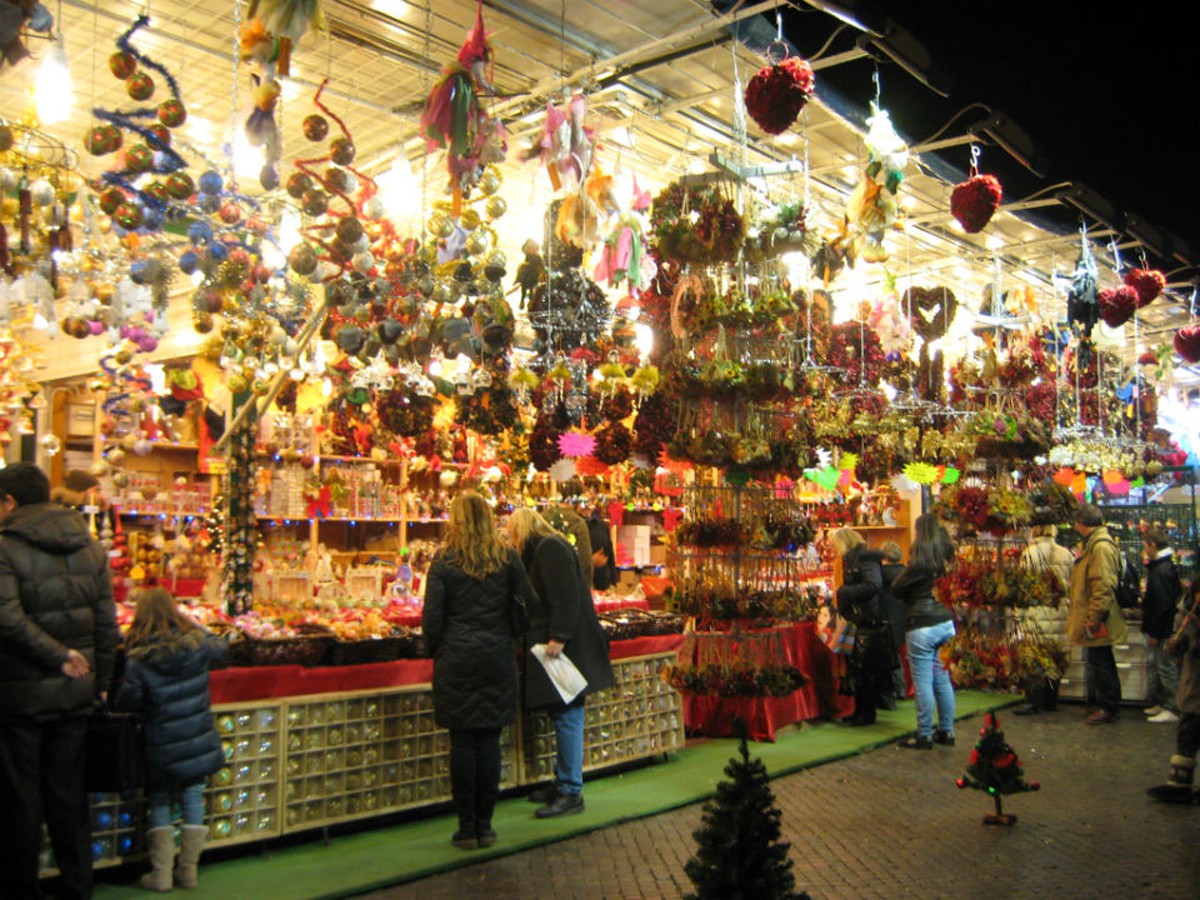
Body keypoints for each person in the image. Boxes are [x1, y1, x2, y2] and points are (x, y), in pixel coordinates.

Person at [0, 461, 119, 900]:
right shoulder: (89, 546)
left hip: (20, 696)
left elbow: (6, 619)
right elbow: (107, 624)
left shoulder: (4, 548)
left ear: (9, 501)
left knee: (20, 804)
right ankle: (76, 888)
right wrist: (101, 680)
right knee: (69, 800)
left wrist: (58, 656)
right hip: (75, 696)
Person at [423, 492, 535, 850]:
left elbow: (432, 618)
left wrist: (438, 650)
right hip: (496, 656)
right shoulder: (505, 556)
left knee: (462, 742)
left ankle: (466, 825)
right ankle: (486, 825)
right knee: (489, 741)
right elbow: (528, 601)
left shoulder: (443, 560)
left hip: (456, 658)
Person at [113, 586, 227, 891]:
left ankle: (161, 874)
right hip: (196, 735)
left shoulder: (138, 658)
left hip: (160, 741)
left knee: (160, 800)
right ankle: (188, 870)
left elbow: (129, 700)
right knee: (193, 794)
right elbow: (223, 647)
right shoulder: (197, 645)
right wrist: (194, 623)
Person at [507, 508, 615, 818]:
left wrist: (559, 636)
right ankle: (563, 781)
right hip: (564, 644)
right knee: (563, 713)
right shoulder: (549, 548)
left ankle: (570, 790)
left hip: (567, 647)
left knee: (568, 714)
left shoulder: (549, 549)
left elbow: (565, 596)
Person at [890, 513, 957, 749]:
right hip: (945, 622)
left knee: (923, 681)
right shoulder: (946, 560)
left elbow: (896, 588)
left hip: (922, 624)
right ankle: (947, 731)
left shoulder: (919, 563)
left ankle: (925, 733)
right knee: (941, 676)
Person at [1067, 503, 1127, 725]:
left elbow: (1102, 584)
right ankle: (1103, 703)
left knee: (1101, 663)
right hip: (1094, 614)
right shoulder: (1094, 544)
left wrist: (1094, 617)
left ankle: (1108, 706)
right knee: (1099, 662)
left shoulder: (1100, 547)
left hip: (1098, 617)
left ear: (1082, 523)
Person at [829, 528, 889, 726]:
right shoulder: (853, 559)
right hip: (858, 619)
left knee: (864, 670)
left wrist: (844, 592)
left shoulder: (865, 559)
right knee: (858, 669)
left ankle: (866, 712)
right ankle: (859, 710)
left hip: (866, 619)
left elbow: (874, 585)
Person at [1147, 579, 1200, 802]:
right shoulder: (1190, 606)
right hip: (1194, 682)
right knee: (1188, 730)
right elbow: (1183, 636)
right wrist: (1178, 643)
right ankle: (1179, 783)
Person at [1013, 524, 1075, 715]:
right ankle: (1051, 699)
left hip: (1036, 611)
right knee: (1055, 654)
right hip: (1060, 611)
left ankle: (1034, 701)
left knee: (1036, 654)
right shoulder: (1066, 554)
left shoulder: (1029, 553)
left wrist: (1019, 615)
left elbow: (1023, 587)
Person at [1141, 526, 1184, 723]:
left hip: (1163, 628)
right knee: (1162, 666)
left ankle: (1173, 707)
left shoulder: (1160, 571)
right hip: (1166, 626)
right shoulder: (1165, 567)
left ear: (1153, 545)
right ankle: (1164, 703)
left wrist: (1154, 632)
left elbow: (1161, 604)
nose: (1144, 550)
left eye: (1145, 546)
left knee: (1165, 667)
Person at [878, 541, 907, 709]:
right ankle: (901, 688)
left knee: (889, 657)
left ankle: (892, 692)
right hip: (901, 619)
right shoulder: (904, 572)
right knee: (896, 655)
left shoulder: (881, 575)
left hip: (886, 619)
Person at [586, 503, 618, 592]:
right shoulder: (571, 526)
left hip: (602, 583)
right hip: (581, 585)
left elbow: (609, 554)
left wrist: (613, 583)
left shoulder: (601, 526)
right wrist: (591, 561)